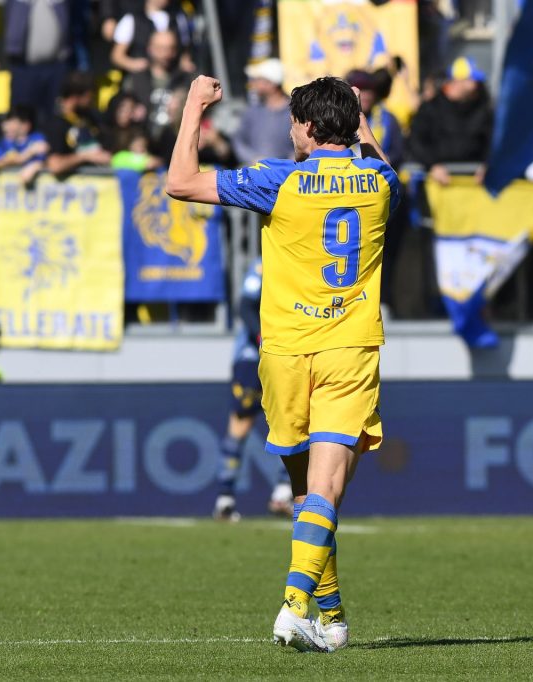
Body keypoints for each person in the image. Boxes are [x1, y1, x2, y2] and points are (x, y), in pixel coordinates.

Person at [166, 74, 399, 653]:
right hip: (348, 347)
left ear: (309, 128)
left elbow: (180, 183)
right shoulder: (381, 181)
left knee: (306, 490)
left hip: (284, 352)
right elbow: (376, 157)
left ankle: (325, 616)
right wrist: (359, 115)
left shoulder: (279, 180)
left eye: (294, 123)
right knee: (324, 488)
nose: (289, 132)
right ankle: (303, 608)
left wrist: (194, 106)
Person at [213, 259, 294, 522]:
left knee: (292, 422)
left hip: (287, 356)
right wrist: (262, 336)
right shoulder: (266, 263)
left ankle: (283, 492)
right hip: (253, 357)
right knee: (241, 425)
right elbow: (246, 305)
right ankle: (225, 499)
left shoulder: (304, 260)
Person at [407, 56, 494, 185]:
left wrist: (488, 164)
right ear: (458, 80)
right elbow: (417, 141)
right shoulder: (431, 108)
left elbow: (491, 141)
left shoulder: (482, 109)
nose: (477, 86)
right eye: (472, 80)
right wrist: (432, 165)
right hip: (437, 184)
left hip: (473, 185)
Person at [45, 73, 113, 176]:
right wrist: (85, 156)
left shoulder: (90, 118)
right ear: (75, 97)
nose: (91, 99)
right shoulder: (57, 123)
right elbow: (55, 165)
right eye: (89, 95)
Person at [232, 58, 295, 164]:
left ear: (271, 83)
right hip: (254, 171)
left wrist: (290, 163)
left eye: (257, 80)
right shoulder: (252, 112)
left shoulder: (295, 112)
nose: (253, 84)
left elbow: (304, 143)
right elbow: (239, 141)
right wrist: (253, 158)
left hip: (288, 172)